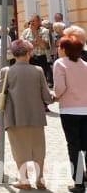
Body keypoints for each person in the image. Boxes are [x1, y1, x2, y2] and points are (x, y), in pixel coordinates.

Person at [0, 39, 53, 190]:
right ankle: (40, 179)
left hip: (14, 117)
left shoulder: (6, 71)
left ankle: (24, 180)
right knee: (38, 149)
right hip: (36, 117)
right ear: (28, 54)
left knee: (19, 149)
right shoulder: (38, 70)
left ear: (14, 54)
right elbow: (47, 97)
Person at [53, 35, 87, 193]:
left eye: (59, 46)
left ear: (65, 49)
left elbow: (60, 88)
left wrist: (55, 96)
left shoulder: (60, 64)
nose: (58, 49)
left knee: (74, 147)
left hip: (69, 110)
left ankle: (79, 183)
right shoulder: (85, 65)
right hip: (86, 109)